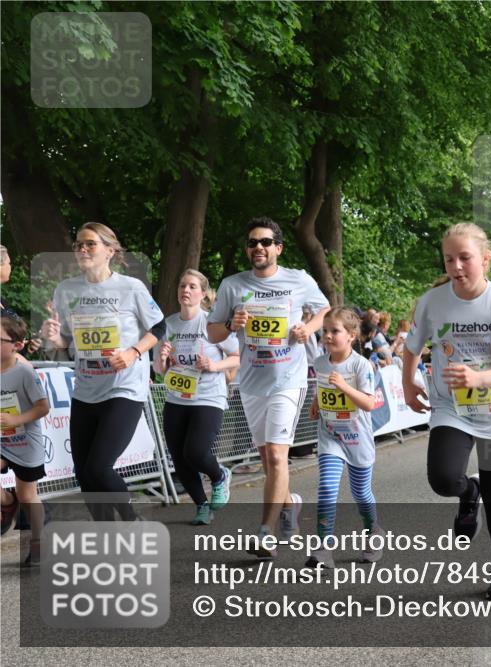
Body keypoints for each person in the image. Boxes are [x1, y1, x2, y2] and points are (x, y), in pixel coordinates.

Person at [402, 223, 491, 600]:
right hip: (451, 406)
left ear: (485, 259)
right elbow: (412, 346)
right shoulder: (433, 301)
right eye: (449, 259)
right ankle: (467, 490)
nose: (456, 266)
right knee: (443, 479)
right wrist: (408, 382)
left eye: (465, 258)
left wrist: (479, 378)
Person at [207, 217, 330, 557]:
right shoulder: (232, 285)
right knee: (268, 459)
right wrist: (231, 324)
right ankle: (290, 503)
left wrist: (308, 328)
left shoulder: (298, 279)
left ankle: (266, 533)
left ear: (278, 248)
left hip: (288, 380)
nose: (258, 247)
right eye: (252, 243)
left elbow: (324, 310)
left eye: (265, 242)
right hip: (251, 382)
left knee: (277, 455)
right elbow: (213, 333)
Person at [40, 222, 165, 521]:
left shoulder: (131, 287)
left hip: (124, 387)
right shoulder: (66, 290)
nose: (82, 249)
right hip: (86, 389)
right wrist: (54, 337)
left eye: (90, 244)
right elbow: (66, 343)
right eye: (78, 244)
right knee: (84, 474)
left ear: (110, 250)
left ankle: (131, 519)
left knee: (98, 467)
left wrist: (133, 352)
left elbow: (160, 326)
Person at [154, 270, 239, 526]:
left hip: (208, 397)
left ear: (202, 293)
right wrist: (163, 359)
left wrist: (214, 365)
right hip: (177, 398)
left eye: (192, 286)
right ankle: (202, 505)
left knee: (196, 451)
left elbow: (237, 356)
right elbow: (159, 370)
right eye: (182, 285)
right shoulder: (168, 324)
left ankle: (219, 475)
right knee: (179, 458)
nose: (186, 290)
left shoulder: (211, 324)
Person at [307, 307, 383, 568]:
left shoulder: (361, 365)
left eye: (335, 331)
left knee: (361, 494)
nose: (327, 335)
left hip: (358, 439)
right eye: (325, 330)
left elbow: (369, 403)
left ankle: (373, 531)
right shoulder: (320, 363)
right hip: (331, 437)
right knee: (327, 488)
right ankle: (323, 549)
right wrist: (317, 402)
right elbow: (323, 387)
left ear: (351, 335)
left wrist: (343, 386)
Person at [0, 313, 51, 565]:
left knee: (28, 495)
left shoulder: (24, 373)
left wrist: (16, 420)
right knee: (19, 496)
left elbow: (43, 407)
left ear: (16, 345)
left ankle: (39, 542)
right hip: (2, 441)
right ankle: (8, 503)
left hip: (26, 443)